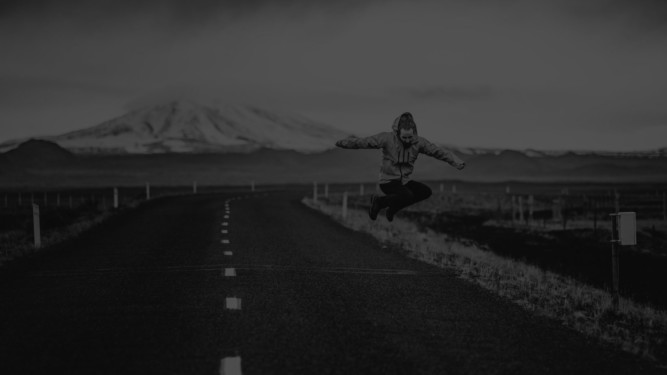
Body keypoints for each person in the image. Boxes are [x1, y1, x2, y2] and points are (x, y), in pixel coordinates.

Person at [335, 112, 466, 222]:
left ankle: (393, 209)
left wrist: (455, 161)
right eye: (404, 137)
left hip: (404, 181)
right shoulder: (386, 138)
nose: (408, 140)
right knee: (407, 196)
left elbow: (438, 151)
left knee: (425, 192)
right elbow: (364, 142)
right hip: (388, 181)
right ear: (398, 133)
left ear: (414, 132)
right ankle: (378, 202)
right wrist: (344, 143)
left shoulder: (419, 142)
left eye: (410, 137)